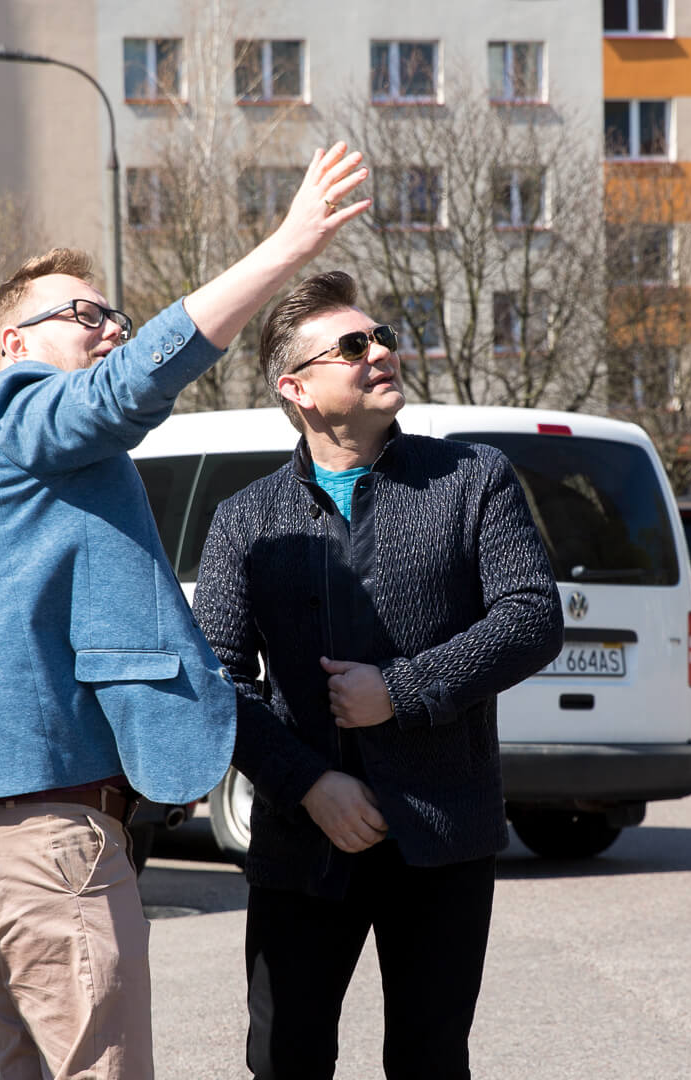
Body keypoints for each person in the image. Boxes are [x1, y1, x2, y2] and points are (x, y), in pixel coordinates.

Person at [0, 143, 371, 1080]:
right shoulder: (11, 407)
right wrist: (287, 246)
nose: (110, 332)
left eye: (114, 317)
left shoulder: (34, 457)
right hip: (45, 832)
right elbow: (131, 387)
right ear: (14, 346)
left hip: (12, 830)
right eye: (83, 315)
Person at [190, 269, 563, 1080]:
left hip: (442, 832)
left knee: (431, 1061)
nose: (381, 352)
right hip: (301, 843)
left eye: (382, 336)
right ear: (297, 388)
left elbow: (532, 617)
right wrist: (309, 786)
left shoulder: (472, 477)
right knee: (284, 1058)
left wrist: (398, 692)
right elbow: (216, 680)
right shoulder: (244, 519)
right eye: (354, 345)